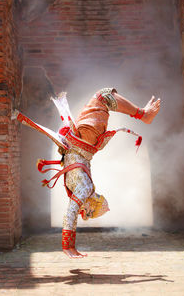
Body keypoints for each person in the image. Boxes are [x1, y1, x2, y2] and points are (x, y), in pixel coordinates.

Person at [13, 88, 160, 258]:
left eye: (97, 204)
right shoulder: (86, 187)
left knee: (103, 96)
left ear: (88, 206)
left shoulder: (84, 189)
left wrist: (68, 247)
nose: (99, 199)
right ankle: (143, 114)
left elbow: (70, 214)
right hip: (83, 142)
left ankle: (143, 115)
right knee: (103, 97)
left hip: (82, 141)